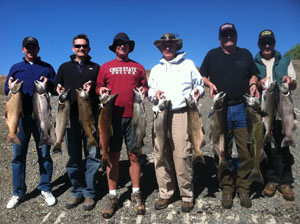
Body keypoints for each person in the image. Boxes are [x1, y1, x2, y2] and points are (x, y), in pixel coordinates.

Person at [200, 23, 260, 209]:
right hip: (220, 110)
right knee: (221, 150)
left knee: (246, 151)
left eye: (231, 34)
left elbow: (254, 75)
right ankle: (227, 187)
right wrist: (209, 85)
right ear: (220, 38)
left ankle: (243, 188)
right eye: (225, 35)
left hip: (243, 108)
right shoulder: (212, 55)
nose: (228, 37)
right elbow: (202, 76)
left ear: (236, 36)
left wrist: (253, 84)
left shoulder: (245, 54)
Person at [148, 33, 205, 213]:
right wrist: (154, 94)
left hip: (182, 114)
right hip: (161, 114)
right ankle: (165, 192)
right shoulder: (156, 69)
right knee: (160, 153)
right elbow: (150, 91)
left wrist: (197, 91)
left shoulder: (188, 65)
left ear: (176, 46)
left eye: (171, 44)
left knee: (182, 155)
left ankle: (186, 195)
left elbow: (200, 85)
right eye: (164, 45)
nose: (167, 47)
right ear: (160, 48)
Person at [96, 32, 148, 218]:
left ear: (129, 47)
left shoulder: (138, 67)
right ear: (114, 47)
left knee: (134, 155)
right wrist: (100, 89)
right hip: (112, 118)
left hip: (134, 117)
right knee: (113, 156)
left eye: (125, 44)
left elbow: (145, 87)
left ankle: (136, 193)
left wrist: (145, 90)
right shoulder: (106, 67)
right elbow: (98, 86)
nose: (122, 46)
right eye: (119, 44)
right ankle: (112, 196)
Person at [4, 36, 57, 209]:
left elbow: (56, 89)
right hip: (20, 119)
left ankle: (45, 187)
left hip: (41, 119)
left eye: (33, 47)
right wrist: (10, 86)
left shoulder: (47, 67)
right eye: (27, 47)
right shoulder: (15, 68)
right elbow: (7, 89)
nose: (30, 50)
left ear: (38, 49)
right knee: (18, 157)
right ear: (23, 49)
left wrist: (49, 84)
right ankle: (18, 192)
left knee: (44, 155)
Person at [56, 34, 101, 211]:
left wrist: (94, 89)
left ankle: (89, 193)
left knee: (92, 155)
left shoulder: (95, 67)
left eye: (84, 46)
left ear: (88, 49)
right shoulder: (64, 67)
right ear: (73, 48)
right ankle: (76, 191)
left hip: (90, 119)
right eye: (78, 46)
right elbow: (56, 86)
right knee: (74, 157)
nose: (81, 49)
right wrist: (56, 87)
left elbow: (100, 89)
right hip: (70, 119)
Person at [254, 29, 297, 201]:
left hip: (283, 112)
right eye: (263, 43)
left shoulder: (285, 61)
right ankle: (270, 179)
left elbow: (293, 85)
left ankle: (285, 181)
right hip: (264, 111)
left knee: (283, 148)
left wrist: (289, 81)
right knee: (266, 147)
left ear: (274, 43)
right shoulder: (254, 63)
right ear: (259, 44)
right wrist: (257, 82)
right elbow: (250, 83)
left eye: (269, 42)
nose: (267, 45)